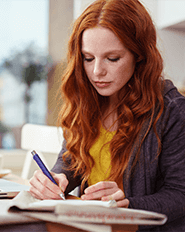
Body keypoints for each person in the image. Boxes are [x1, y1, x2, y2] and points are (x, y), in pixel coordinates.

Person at [29, 0, 185, 231]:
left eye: (112, 59)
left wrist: (128, 204)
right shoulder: (87, 100)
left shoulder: (172, 110)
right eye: (88, 58)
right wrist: (56, 180)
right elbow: (71, 161)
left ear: (139, 56)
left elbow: (180, 194)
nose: (96, 72)